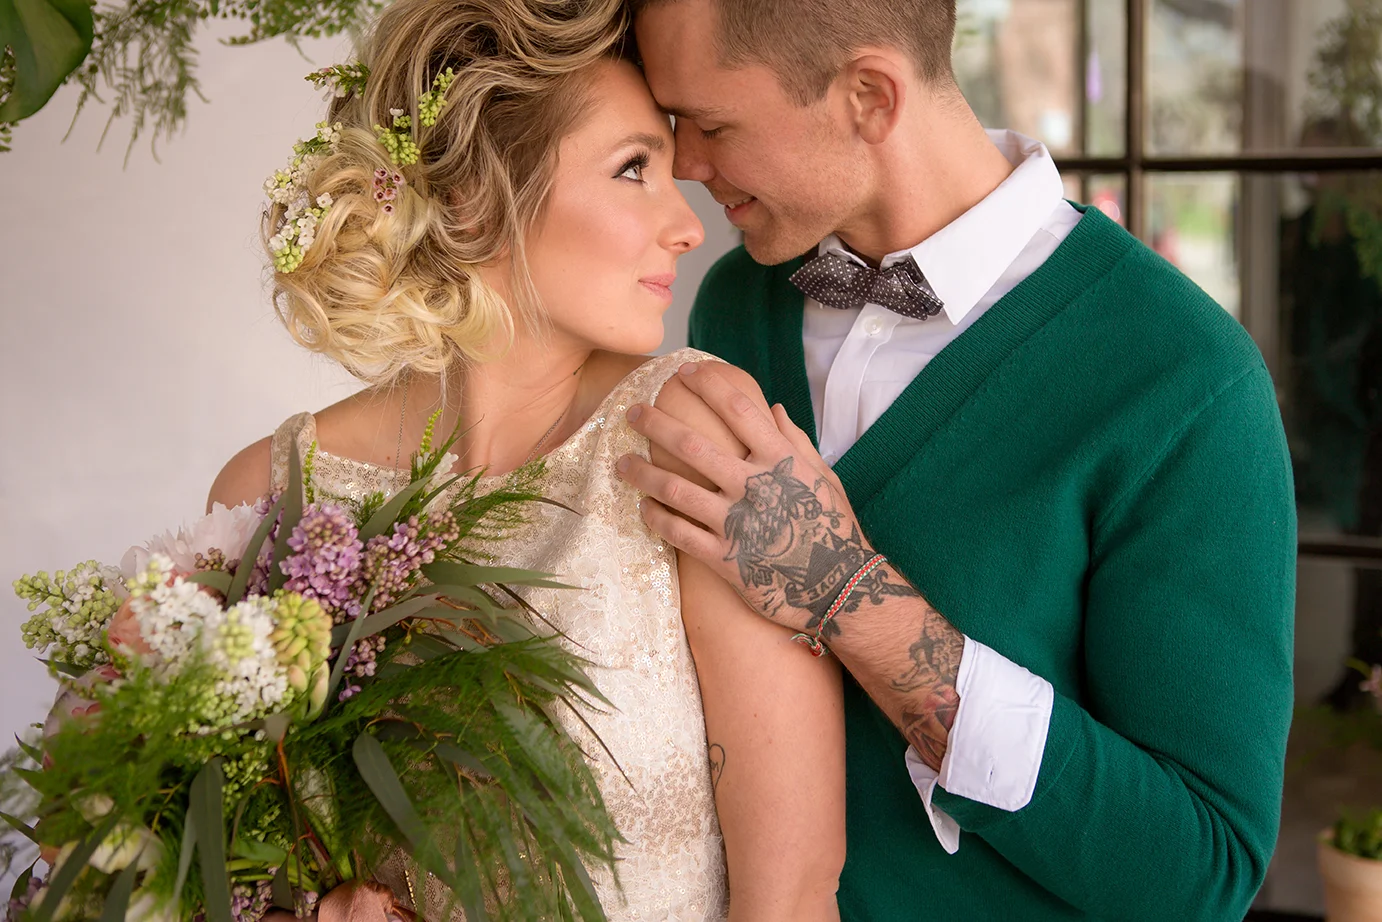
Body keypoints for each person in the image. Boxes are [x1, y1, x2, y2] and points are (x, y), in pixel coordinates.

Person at [615, 1, 1298, 919]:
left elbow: (1199, 873)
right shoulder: (733, 306)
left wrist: (850, 595)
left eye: (711, 123)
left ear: (869, 96)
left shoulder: (1183, 379)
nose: (685, 163)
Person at [207, 0, 845, 918]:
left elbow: (791, 901)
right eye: (634, 170)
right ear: (473, 197)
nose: (688, 225)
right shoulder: (273, 492)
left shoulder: (699, 444)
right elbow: (201, 859)